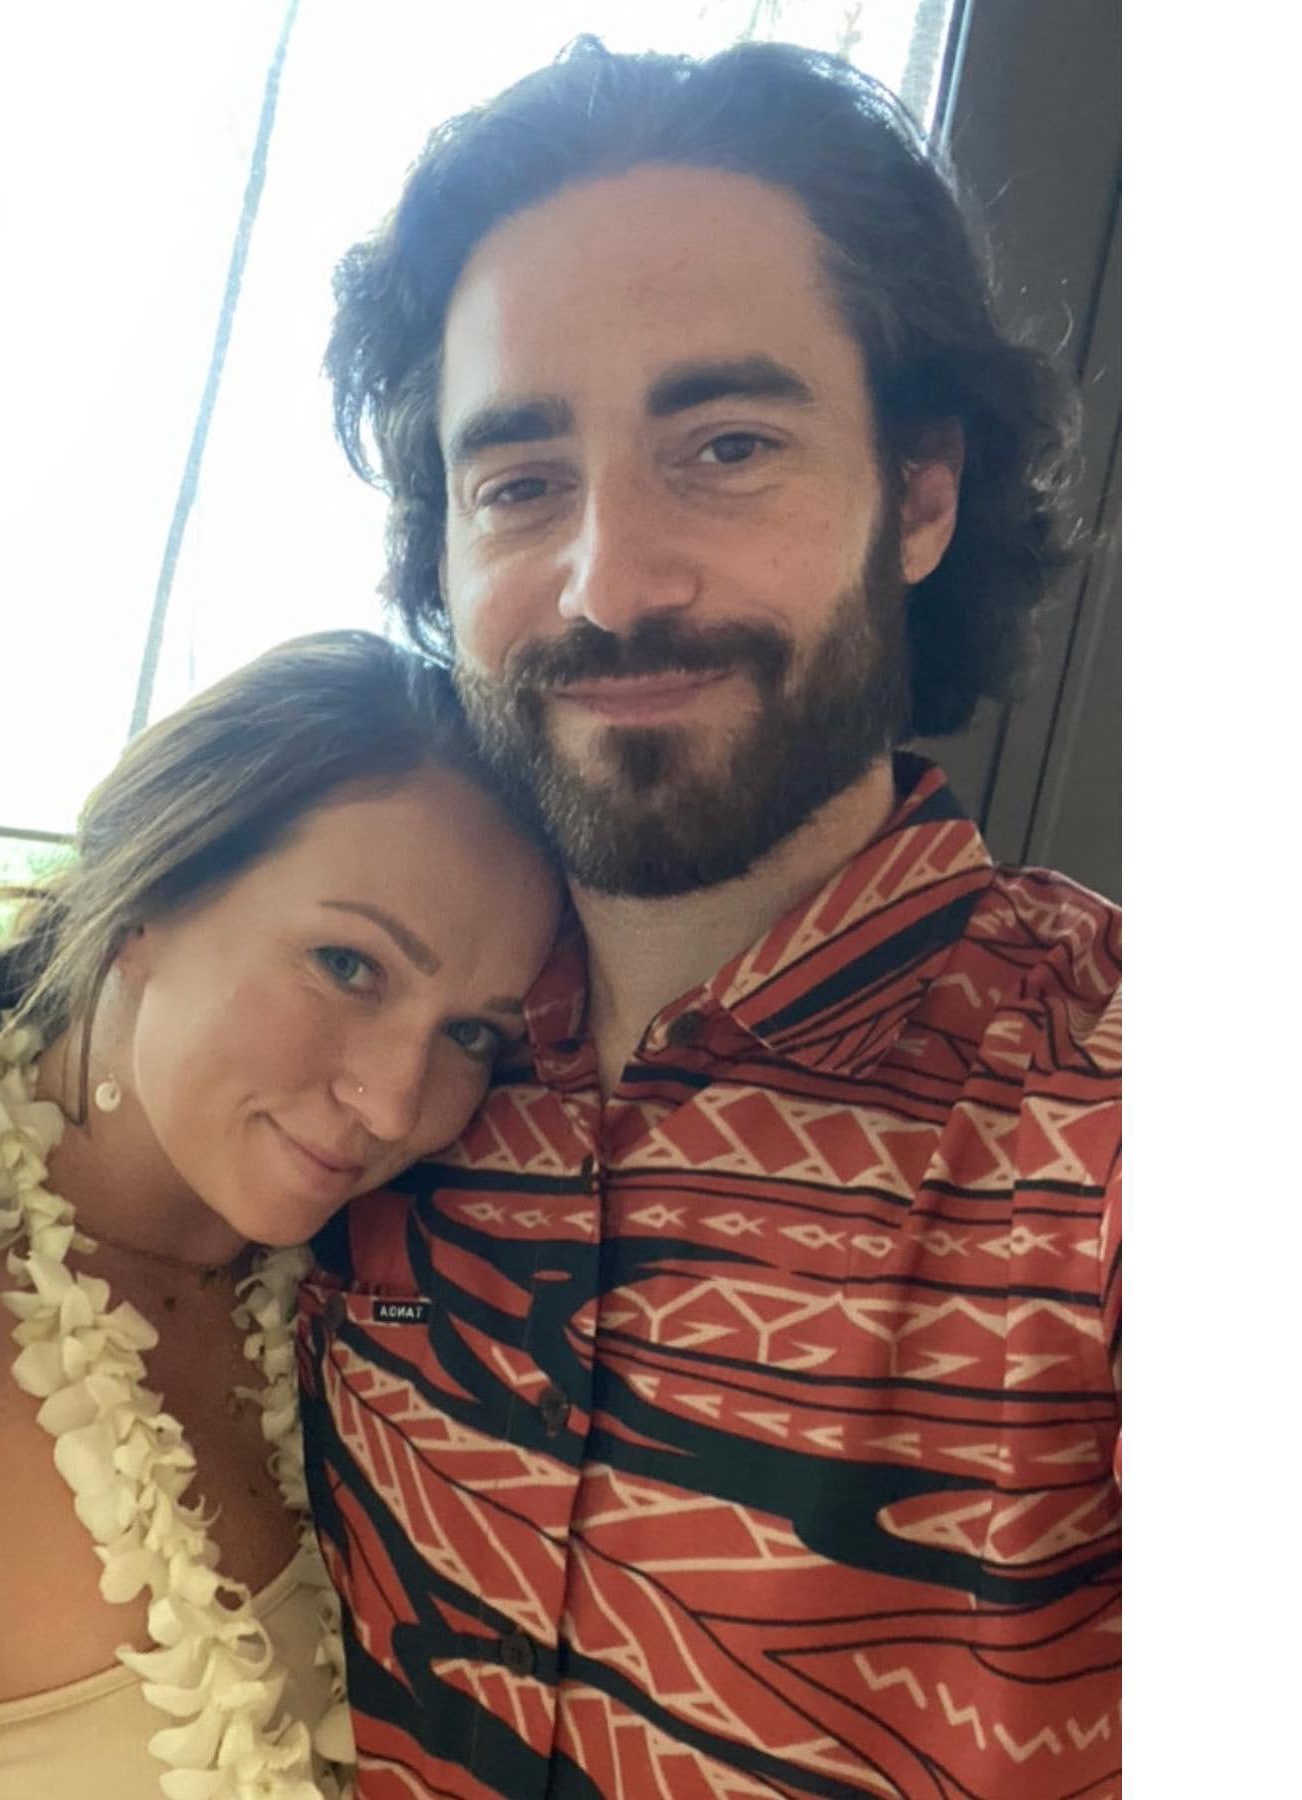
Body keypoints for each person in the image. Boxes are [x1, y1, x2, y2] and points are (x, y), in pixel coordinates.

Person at [299, 38, 1120, 1800]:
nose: (611, 584)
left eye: (728, 446)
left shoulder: (1116, 1112)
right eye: (520, 483)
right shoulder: (351, 1070)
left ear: (921, 495)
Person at [0, 631, 562, 1800]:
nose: (397, 1102)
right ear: (145, 900)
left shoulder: (387, 1315)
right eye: (348, 966)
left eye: (471, 1034)